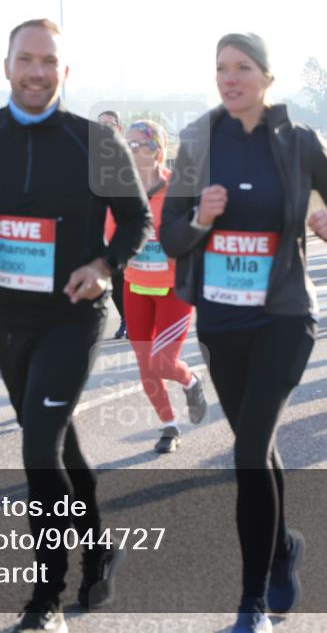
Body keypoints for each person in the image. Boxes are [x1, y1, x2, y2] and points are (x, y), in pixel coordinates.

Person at [0, 19, 151, 631]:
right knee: (55, 440)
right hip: (5, 318)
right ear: (6, 67)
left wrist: (106, 265)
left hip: (73, 316)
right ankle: (101, 546)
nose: (36, 71)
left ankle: (45, 598)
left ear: (65, 72)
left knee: (37, 447)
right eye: (25, 60)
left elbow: (135, 221)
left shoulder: (94, 142)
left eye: (48, 61)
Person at [160, 33, 327, 633]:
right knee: (260, 446)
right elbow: (171, 235)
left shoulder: (298, 141)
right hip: (222, 320)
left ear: (267, 79)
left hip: (285, 316)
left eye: (242, 67)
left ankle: (251, 604)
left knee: (247, 450)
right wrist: (201, 217)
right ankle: (282, 550)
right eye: (221, 68)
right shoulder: (199, 142)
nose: (229, 77)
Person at [104, 120, 208, 454]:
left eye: (137, 145)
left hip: (173, 289)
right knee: (145, 365)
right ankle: (169, 426)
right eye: (126, 144)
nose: (129, 151)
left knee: (163, 362)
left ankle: (191, 381)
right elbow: (108, 235)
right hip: (135, 287)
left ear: (158, 153)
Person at [97, 110, 129, 339]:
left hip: (129, 225)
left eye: (111, 123)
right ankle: (126, 320)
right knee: (116, 278)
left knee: (133, 278)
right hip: (103, 225)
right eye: (101, 124)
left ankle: (142, 319)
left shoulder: (130, 153)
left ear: (119, 128)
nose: (106, 127)